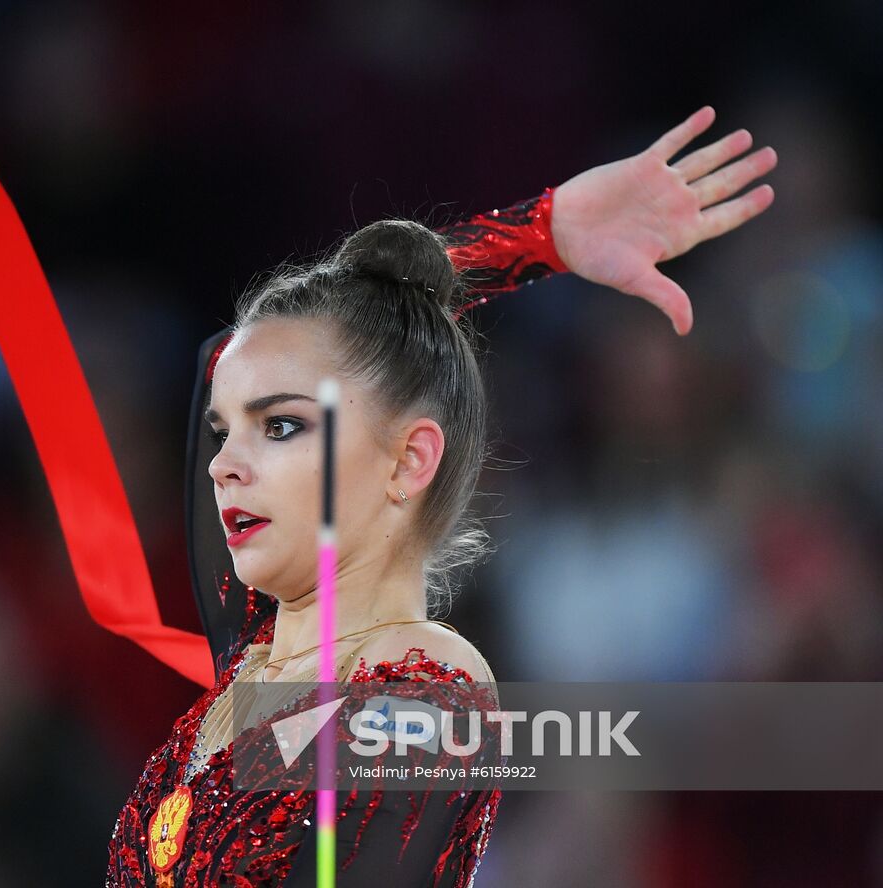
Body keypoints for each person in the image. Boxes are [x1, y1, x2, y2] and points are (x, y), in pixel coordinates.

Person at [105, 106, 777, 886]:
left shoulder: (428, 691)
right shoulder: (255, 664)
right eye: (226, 433)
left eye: (281, 427)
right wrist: (537, 238)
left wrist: (528, 249)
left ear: (409, 460)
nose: (223, 464)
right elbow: (229, 352)